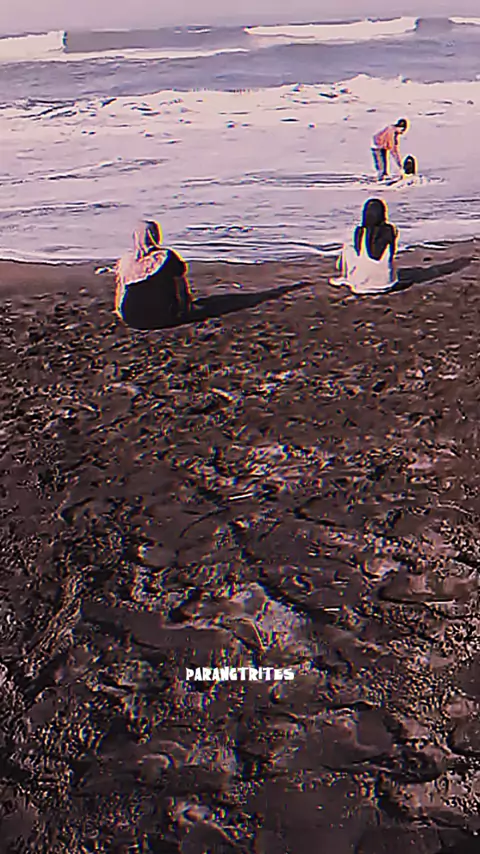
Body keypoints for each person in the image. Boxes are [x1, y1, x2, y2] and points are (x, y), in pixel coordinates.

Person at [115, 220, 193, 329]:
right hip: (162, 316)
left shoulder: (126, 260)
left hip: (131, 318)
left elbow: (120, 290)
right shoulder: (165, 256)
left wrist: (120, 312)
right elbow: (180, 285)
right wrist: (185, 308)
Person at [329, 198, 398, 294]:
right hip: (387, 284)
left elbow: (359, 252)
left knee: (348, 248)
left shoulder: (360, 231)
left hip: (361, 287)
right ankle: (382, 278)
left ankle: (346, 277)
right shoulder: (390, 230)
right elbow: (392, 252)